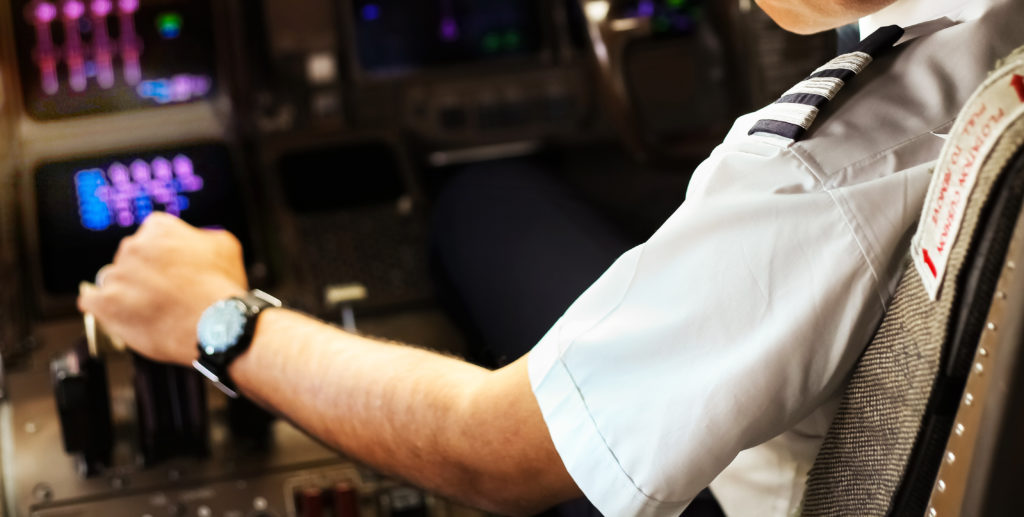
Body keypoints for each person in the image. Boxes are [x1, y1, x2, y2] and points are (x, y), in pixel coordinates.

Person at [79, 0, 1023, 515]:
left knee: (478, 205)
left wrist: (219, 318)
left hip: (716, 501)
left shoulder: (820, 174)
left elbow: (488, 452)